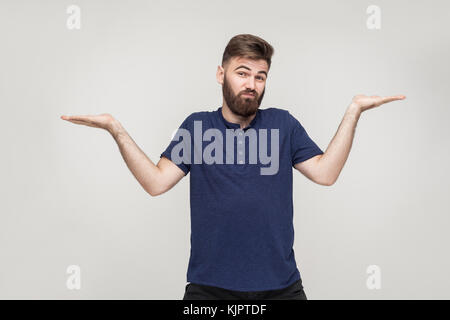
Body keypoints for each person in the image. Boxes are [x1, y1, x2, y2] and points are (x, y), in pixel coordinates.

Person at [61, 34, 406, 300]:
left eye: (260, 76)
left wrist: (353, 112)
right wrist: (116, 130)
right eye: (243, 73)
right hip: (210, 289)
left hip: (281, 288)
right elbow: (156, 182)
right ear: (221, 73)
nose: (251, 85)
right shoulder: (197, 128)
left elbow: (326, 173)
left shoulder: (282, 125)